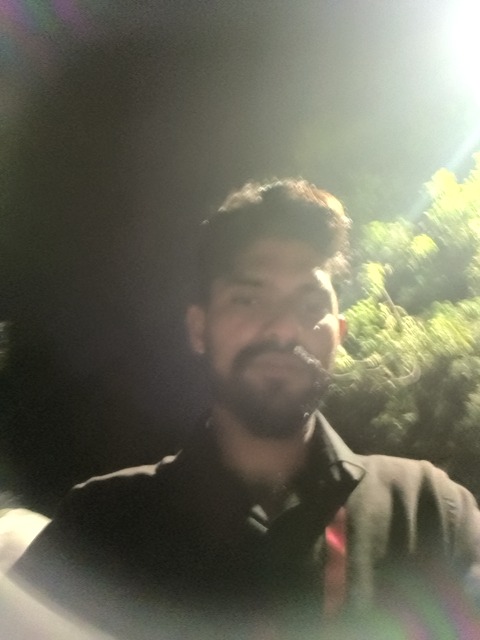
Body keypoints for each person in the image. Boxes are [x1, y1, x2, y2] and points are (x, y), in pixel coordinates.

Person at [9, 179, 480, 639]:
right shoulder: (100, 527)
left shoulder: (430, 513)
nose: (283, 329)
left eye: (310, 302)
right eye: (249, 299)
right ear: (199, 329)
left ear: (338, 333)